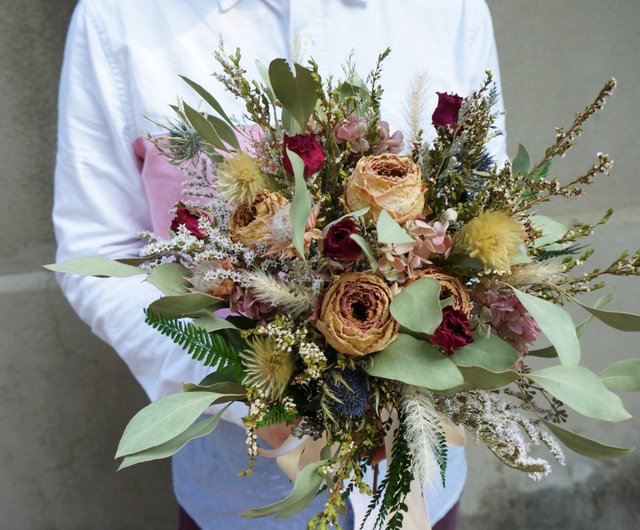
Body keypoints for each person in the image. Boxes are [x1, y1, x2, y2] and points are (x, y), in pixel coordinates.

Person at [53, 1, 507, 528]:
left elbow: (482, 209)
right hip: (240, 493)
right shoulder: (120, 16)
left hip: (420, 485)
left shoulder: (451, 9)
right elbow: (99, 248)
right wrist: (239, 379)